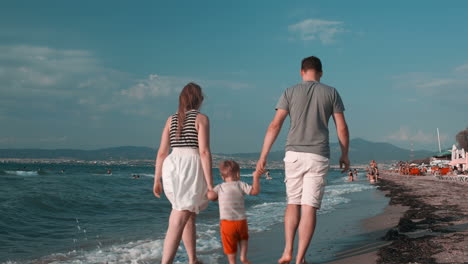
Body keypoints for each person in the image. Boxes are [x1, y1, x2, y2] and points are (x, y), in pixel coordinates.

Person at [256, 56, 349, 264]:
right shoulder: (331, 92)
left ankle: (287, 250)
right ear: (321, 72)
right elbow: (341, 127)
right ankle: (299, 258)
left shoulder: (289, 92)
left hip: (294, 155)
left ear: (301, 72)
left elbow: (275, 125)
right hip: (318, 155)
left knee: (292, 203)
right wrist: (345, 154)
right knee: (309, 207)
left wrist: (263, 156)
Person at [153, 82, 213, 264]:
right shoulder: (201, 119)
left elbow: (162, 152)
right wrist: (210, 185)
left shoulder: (171, 119)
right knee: (179, 216)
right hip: (190, 165)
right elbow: (203, 152)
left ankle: (192, 260)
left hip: (171, 165)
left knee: (189, 214)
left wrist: (157, 179)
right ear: (200, 100)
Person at [207, 160, 262, 264]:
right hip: (241, 221)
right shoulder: (240, 185)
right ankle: (243, 257)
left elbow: (211, 196)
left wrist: (209, 189)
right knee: (243, 239)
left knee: (230, 245)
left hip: (227, 223)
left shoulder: (220, 187)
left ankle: (232, 262)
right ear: (238, 174)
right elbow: (255, 191)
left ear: (223, 177)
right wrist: (256, 177)